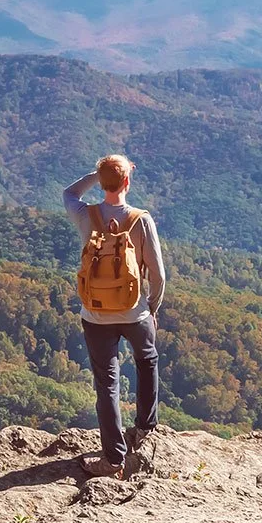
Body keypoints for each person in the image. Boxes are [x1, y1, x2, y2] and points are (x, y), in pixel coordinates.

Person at [64, 154, 167, 478]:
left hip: (95, 314)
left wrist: (97, 175)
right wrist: (152, 308)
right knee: (147, 361)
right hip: (135, 311)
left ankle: (112, 461)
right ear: (127, 182)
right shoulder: (140, 220)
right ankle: (145, 429)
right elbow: (159, 275)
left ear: (103, 179)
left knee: (107, 385)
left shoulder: (85, 214)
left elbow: (69, 192)